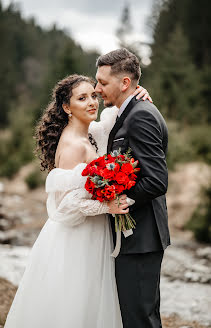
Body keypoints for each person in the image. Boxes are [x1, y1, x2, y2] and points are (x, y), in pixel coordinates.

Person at [4, 74, 150, 327]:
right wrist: (108, 206)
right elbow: (65, 205)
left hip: (92, 232)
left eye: (93, 95)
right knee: (76, 301)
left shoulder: (90, 133)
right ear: (66, 107)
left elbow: (111, 120)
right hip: (77, 237)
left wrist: (137, 94)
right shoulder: (72, 144)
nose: (92, 102)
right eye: (82, 98)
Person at [95, 48, 170, 328]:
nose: (97, 88)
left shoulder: (141, 115)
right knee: (137, 316)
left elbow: (156, 181)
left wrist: (117, 199)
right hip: (133, 238)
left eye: (103, 82)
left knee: (140, 320)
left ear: (125, 83)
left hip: (141, 236)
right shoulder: (125, 113)